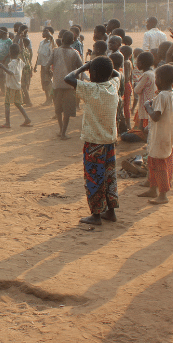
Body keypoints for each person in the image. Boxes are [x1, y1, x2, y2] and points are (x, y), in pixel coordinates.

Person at [64, 56, 121, 226]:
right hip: (109, 141)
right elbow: (118, 74)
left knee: (94, 178)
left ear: (93, 73)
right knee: (109, 176)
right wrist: (96, 66)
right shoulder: (113, 86)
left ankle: (96, 215)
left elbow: (68, 78)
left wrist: (83, 67)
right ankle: (110, 212)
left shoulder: (90, 89)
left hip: (94, 142)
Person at [138, 64, 173, 205]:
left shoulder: (162, 95)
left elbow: (156, 116)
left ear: (159, 79)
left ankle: (163, 194)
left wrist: (148, 106)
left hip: (161, 136)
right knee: (152, 161)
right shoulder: (171, 93)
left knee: (159, 164)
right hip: (164, 134)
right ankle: (153, 188)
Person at [49, 31, 82, 139]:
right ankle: (63, 132)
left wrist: (51, 74)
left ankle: (60, 129)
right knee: (67, 111)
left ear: (62, 40)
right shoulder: (75, 53)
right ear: (72, 41)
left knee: (58, 109)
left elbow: (47, 65)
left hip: (57, 84)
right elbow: (80, 68)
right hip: (69, 85)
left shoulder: (55, 51)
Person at [0, 44, 32, 128]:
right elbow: (22, 66)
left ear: (10, 53)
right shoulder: (20, 61)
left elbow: (11, 72)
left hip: (11, 86)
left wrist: (3, 67)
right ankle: (27, 118)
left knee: (7, 104)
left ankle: (7, 123)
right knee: (18, 103)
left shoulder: (12, 63)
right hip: (17, 85)